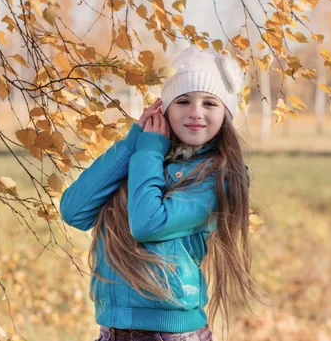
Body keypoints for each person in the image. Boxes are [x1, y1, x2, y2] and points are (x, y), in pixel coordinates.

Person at [60, 46, 262, 341]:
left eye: (209, 103)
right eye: (182, 101)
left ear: (225, 114)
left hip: (172, 333)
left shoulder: (219, 178)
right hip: (113, 331)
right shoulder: (144, 156)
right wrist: (134, 142)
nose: (195, 112)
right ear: (163, 109)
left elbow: (148, 223)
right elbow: (74, 210)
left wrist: (147, 150)